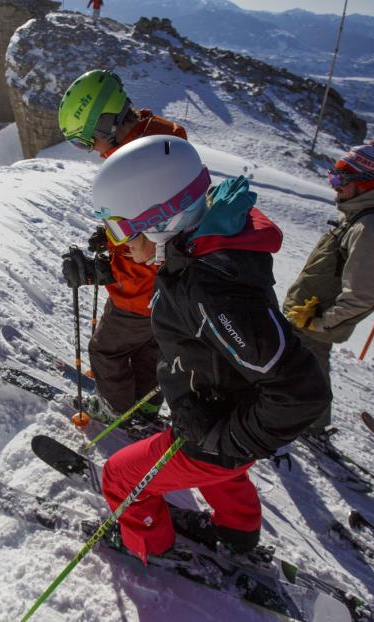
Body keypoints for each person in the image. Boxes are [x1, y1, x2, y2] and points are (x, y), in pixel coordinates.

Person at [92, 135, 331, 562]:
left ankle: (151, 546)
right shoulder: (202, 250)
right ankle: (237, 533)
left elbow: (301, 391)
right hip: (220, 416)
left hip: (218, 430)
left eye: (122, 228)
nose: (120, 242)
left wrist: (229, 436)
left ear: (163, 218)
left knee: (119, 476)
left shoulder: (209, 286)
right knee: (222, 470)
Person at [58, 69, 188, 425]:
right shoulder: (160, 140)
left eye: (87, 142)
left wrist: (105, 270)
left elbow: (149, 247)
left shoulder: (138, 162)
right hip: (169, 290)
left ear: (105, 126)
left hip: (140, 291)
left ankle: (114, 410)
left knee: (106, 350)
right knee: (149, 347)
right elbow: (153, 223)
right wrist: (112, 237)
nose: (92, 152)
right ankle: (143, 406)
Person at [282, 139, 374, 438]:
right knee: (300, 366)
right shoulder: (359, 214)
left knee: (309, 369)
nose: (334, 186)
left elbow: (362, 294)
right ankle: (301, 419)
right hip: (307, 314)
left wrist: (321, 322)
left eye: (340, 179)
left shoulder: (370, 228)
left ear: (364, 183)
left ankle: (311, 425)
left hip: (316, 321)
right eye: (332, 177)